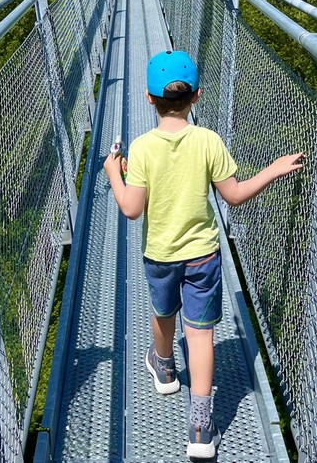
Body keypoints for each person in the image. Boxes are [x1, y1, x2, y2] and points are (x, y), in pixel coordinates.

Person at [103, 50, 304, 459]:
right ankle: (199, 429)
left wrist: (112, 172)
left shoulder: (140, 149)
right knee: (200, 335)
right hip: (203, 255)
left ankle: (162, 365)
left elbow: (131, 208)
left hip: (160, 254)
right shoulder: (208, 140)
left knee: (164, 313)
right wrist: (274, 168)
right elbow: (233, 196)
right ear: (195, 98)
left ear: (148, 98)